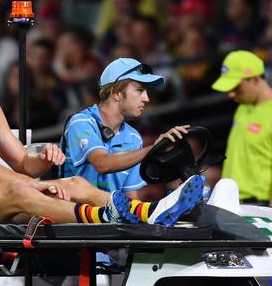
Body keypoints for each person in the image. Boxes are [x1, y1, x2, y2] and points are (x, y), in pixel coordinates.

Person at [0, 22, 204, 228]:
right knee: (20, 191)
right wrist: (38, 185)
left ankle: (150, 212)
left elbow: (22, 162)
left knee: (75, 184)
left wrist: (43, 160)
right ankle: (105, 217)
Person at [60, 57, 190, 199]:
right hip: (75, 218)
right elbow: (102, 164)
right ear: (116, 93)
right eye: (139, 90)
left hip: (110, 217)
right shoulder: (80, 122)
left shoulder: (133, 137)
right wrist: (153, 148)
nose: (146, 98)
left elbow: (130, 198)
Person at [211, 50, 272, 209]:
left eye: (236, 87)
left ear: (254, 79)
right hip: (229, 203)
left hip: (258, 208)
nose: (231, 94)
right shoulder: (243, 107)